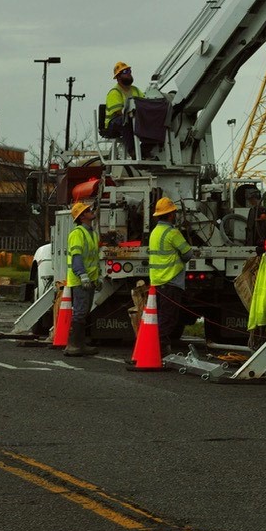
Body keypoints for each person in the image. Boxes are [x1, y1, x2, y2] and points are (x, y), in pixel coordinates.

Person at [145, 196, 194, 362]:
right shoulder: (172, 233)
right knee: (168, 319)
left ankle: (155, 348)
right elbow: (188, 253)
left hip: (157, 281)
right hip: (171, 280)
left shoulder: (155, 232)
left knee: (161, 317)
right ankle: (160, 351)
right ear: (171, 214)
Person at [62, 200, 100, 357]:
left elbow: (93, 259)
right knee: (80, 312)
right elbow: (77, 257)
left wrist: (98, 277)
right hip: (80, 280)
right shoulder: (78, 234)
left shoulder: (91, 233)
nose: (91, 211)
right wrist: (83, 275)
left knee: (83, 312)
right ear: (82, 216)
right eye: (87, 210)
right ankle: (74, 345)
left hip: (88, 279)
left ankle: (79, 344)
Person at [105, 62, 143, 158]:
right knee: (126, 121)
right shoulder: (114, 92)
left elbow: (145, 103)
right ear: (118, 77)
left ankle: (147, 149)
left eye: (129, 71)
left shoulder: (136, 90)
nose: (129, 73)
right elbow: (119, 113)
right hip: (113, 123)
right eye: (125, 71)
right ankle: (132, 151)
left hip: (132, 120)